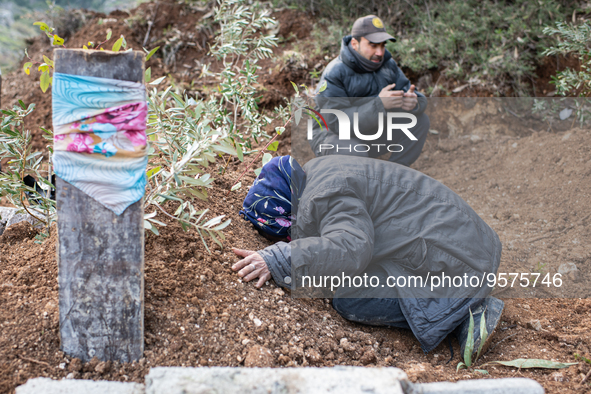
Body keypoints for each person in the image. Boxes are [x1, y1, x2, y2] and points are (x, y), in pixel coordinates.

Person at [234, 155, 504, 357]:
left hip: (459, 260)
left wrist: (280, 258)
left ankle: (467, 310)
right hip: (452, 243)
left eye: (280, 235)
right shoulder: (317, 175)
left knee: (353, 296)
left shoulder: (324, 195)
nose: (283, 240)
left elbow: (352, 247)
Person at [308, 15, 430, 167]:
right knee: (354, 152)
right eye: (373, 45)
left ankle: (394, 172)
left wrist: (414, 102)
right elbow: (336, 122)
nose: (379, 52)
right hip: (331, 135)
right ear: (354, 43)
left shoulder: (387, 64)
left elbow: (412, 93)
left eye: (382, 45)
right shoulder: (334, 73)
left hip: (369, 129)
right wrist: (379, 104)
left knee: (420, 121)